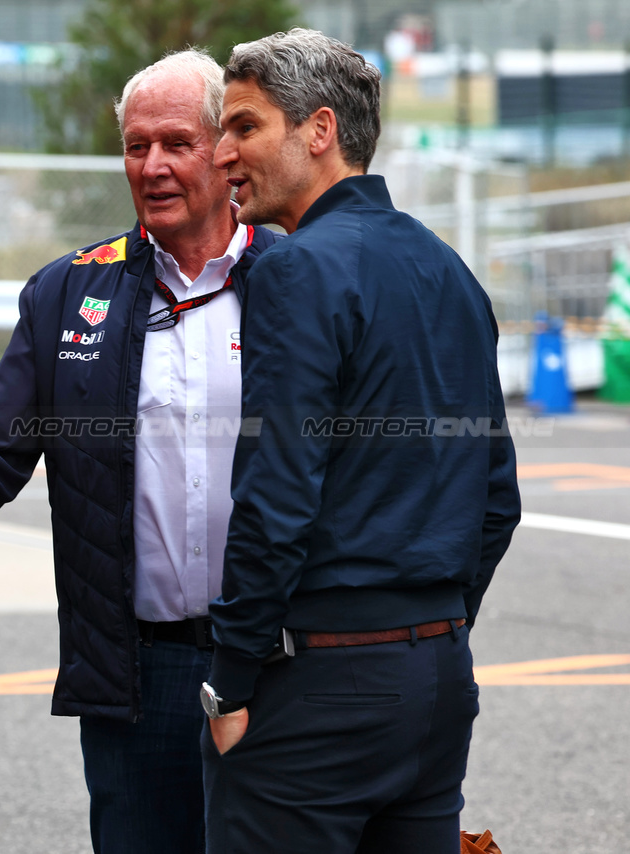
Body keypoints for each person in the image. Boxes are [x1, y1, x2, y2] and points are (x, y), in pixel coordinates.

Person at [0, 50, 277, 853]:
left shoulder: (295, 277)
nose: (153, 165)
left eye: (176, 142)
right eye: (136, 146)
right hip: (134, 673)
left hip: (279, 664)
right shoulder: (70, 291)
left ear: (225, 147)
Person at [201, 29, 521, 853]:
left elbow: (276, 493)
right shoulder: (449, 270)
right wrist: (433, 628)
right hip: (437, 679)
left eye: (243, 127)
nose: (222, 152)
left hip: (323, 684)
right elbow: (497, 497)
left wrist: (230, 682)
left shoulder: (295, 267)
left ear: (320, 130)